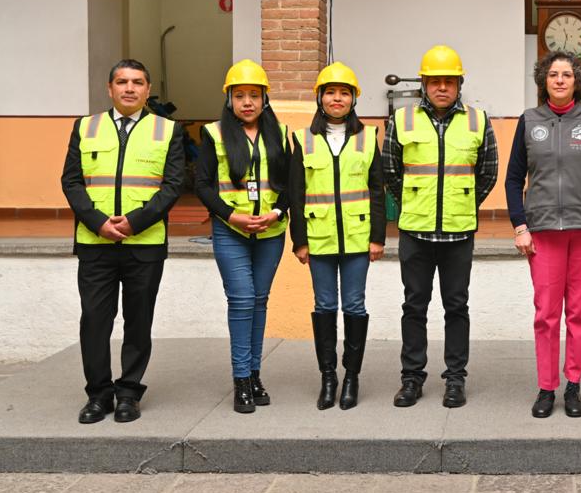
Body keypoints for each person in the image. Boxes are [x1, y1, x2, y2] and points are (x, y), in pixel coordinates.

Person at [61, 59, 185, 424]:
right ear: (109, 88)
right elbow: (71, 181)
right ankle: (98, 395)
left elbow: (173, 186)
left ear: (148, 90)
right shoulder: (85, 127)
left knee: (138, 321)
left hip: (144, 245)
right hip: (95, 244)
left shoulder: (168, 130)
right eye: (122, 82)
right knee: (94, 321)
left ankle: (129, 392)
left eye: (137, 82)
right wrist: (98, 222)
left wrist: (135, 222)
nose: (129, 88)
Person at [505, 51, 581, 419]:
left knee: (580, 313)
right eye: (553, 74)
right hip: (543, 233)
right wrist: (520, 226)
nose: (559, 80)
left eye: (566, 74)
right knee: (546, 315)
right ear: (544, 80)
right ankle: (546, 387)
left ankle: (573, 384)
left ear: (576, 81)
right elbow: (513, 179)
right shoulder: (529, 121)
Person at [383, 45, 498, 409]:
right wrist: (413, 204)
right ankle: (412, 379)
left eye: (449, 81)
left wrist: (462, 203)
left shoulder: (478, 121)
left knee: (456, 307)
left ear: (459, 83)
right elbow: (390, 171)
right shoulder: (401, 120)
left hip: (458, 232)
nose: (442, 87)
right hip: (415, 232)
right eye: (435, 81)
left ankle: (455, 379)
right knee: (414, 306)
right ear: (424, 84)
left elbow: (488, 172)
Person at [289, 63, 386, 411]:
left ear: (353, 99)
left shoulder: (368, 137)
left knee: (355, 305)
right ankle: (328, 377)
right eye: (330, 92)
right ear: (320, 97)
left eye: (344, 93)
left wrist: (378, 237)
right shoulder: (302, 139)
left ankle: (351, 378)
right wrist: (299, 240)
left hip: (359, 238)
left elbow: (377, 190)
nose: (337, 98)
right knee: (325, 306)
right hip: (319, 237)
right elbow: (296, 193)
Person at [195, 59, 290, 414]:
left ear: (265, 98)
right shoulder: (214, 134)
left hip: (271, 231)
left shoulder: (280, 133)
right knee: (242, 300)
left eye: (254, 95)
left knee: (259, 300)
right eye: (239, 95)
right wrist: (231, 215)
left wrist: (276, 212)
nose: (247, 102)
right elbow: (203, 185)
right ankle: (240, 380)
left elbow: (290, 183)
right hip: (230, 230)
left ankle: (254, 374)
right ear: (229, 99)